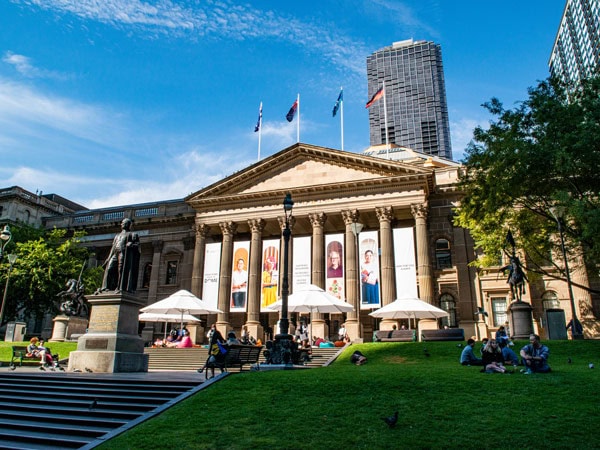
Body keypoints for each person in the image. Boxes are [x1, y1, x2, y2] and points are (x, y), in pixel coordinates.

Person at [99, 218, 140, 293]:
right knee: (110, 269)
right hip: (115, 253)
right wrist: (108, 258)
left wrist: (132, 244)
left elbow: (137, 246)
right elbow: (113, 247)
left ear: (128, 224)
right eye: (122, 223)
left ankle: (119, 287)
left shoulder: (133, 234)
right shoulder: (117, 236)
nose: (121, 224)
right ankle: (106, 287)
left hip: (123, 253)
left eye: (123, 223)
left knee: (121, 270)